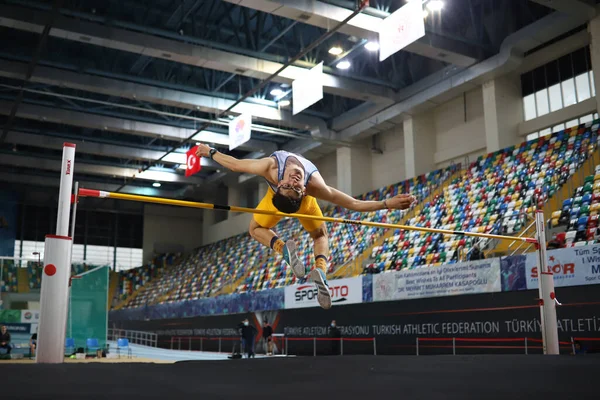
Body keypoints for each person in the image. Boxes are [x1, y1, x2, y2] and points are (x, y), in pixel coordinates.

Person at [195, 145, 415, 309]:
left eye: (296, 185)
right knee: (315, 235)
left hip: (294, 202)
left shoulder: (287, 176)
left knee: (267, 229)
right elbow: (353, 204)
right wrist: (386, 204)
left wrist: (210, 152)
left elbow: (353, 204)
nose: (295, 180)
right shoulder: (298, 181)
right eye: (293, 185)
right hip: (283, 201)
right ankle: (314, 266)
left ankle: (303, 261)